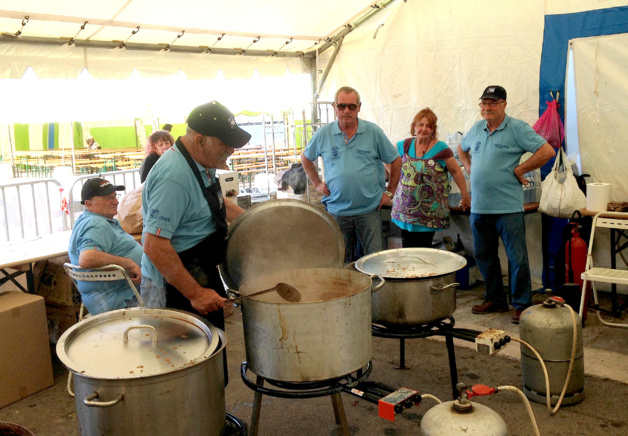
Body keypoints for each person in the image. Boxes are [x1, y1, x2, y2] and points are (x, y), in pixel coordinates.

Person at [140, 101, 250, 336]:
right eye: (225, 143)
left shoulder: (203, 161)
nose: (231, 150)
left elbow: (214, 204)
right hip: (175, 284)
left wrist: (254, 220)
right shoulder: (174, 177)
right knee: (184, 363)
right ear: (200, 140)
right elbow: (154, 246)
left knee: (212, 349)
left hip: (200, 269)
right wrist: (196, 294)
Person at [457, 86, 555, 324]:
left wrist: (521, 169)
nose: (487, 107)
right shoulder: (477, 128)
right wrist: (469, 167)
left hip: (508, 208)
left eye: (492, 103)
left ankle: (522, 304)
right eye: (483, 103)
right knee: (484, 255)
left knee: (517, 258)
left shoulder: (517, 128)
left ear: (504, 104)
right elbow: (461, 147)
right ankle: (495, 299)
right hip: (480, 208)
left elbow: (547, 150)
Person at [301, 86, 402, 263]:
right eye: (341, 106)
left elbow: (395, 160)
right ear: (334, 106)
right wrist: (317, 183)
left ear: (359, 107)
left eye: (351, 106)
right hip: (337, 210)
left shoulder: (373, 132)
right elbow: (306, 158)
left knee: (374, 260)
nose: (346, 110)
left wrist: (390, 191)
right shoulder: (324, 134)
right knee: (341, 259)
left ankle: (374, 291)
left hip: (369, 210)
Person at [391, 108, 470, 248]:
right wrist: (395, 175)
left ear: (433, 129)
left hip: (428, 216)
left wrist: (465, 195)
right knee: (407, 253)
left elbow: (456, 171)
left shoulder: (441, 148)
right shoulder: (404, 145)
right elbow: (387, 158)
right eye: (421, 124)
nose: (424, 128)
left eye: (429, 126)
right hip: (404, 212)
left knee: (423, 253)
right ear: (414, 126)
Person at [68, 178, 143, 315]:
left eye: (115, 196)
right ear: (89, 204)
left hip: (109, 298)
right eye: (109, 198)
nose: (116, 202)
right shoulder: (96, 224)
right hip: (124, 300)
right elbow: (87, 258)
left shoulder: (91, 220)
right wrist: (129, 263)